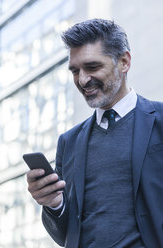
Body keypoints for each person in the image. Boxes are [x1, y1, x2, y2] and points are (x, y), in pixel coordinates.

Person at [26, 19, 163, 248]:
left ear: (124, 61)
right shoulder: (68, 142)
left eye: (92, 67)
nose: (82, 80)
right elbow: (65, 236)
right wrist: (53, 204)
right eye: (75, 71)